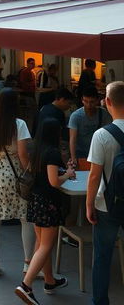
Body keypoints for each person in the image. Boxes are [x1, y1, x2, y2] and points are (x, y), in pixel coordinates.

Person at [15, 119, 73, 305]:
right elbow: (54, 181)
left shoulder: (37, 149)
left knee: (41, 243)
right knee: (47, 245)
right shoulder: (53, 152)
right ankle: (26, 285)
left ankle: (49, 281)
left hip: (36, 201)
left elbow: (38, 173)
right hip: (49, 203)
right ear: (55, 133)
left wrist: (62, 170)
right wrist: (67, 174)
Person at [0, 89, 34, 280]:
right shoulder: (19, 124)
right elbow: (22, 154)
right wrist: (30, 172)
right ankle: (28, 263)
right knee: (25, 218)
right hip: (13, 173)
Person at [86, 80, 124, 305]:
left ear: (107, 102)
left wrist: (89, 204)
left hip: (106, 204)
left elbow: (94, 175)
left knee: (102, 256)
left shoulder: (101, 135)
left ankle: (100, 301)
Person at [69, 86, 112, 169]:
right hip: (81, 153)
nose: (88, 105)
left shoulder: (104, 114)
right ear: (82, 100)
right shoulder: (76, 116)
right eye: (86, 101)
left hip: (98, 153)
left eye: (92, 102)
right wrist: (73, 158)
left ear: (97, 100)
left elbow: (108, 135)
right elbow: (72, 139)